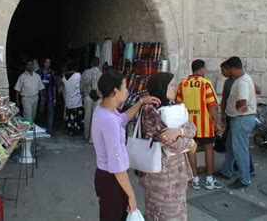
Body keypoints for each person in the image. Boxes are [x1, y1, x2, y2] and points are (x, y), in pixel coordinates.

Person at [92, 70, 160, 221]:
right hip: (112, 180)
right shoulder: (109, 120)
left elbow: (122, 119)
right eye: (125, 87)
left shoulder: (103, 109)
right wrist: (132, 195)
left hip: (107, 177)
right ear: (116, 91)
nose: (127, 91)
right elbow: (116, 165)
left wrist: (141, 102)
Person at [139, 72, 197, 221]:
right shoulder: (149, 110)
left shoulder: (173, 106)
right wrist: (189, 142)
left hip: (177, 173)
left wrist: (179, 131)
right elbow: (170, 143)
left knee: (178, 214)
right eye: (171, 85)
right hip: (161, 178)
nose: (174, 88)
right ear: (161, 87)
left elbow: (192, 127)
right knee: (163, 215)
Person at [176, 59, 223, 190]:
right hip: (205, 125)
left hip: (188, 124)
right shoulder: (206, 84)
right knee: (209, 149)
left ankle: (195, 180)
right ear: (202, 69)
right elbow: (212, 105)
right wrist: (217, 122)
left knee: (191, 150)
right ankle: (209, 180)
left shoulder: (183, 84)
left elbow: (178, 104)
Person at [216, 56, 257, 189]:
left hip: (241, 119)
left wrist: (241, 110)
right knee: (230, 146)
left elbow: (242, 101)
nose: (223, 73)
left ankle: (244, 179)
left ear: (232, 68)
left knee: (240, 150)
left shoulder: (242, 82)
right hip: (238, 119)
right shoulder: (243, 79)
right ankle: (226, 170)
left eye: (224, 70)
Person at [81, 57, 102, 143]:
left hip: (87, 97)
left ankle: (86, 135)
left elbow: (81, 86)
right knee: (95, 118)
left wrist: (83, 94)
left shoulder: (85, 73)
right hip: (97, 99)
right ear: (99, 64)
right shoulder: (101, 74)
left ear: (91, 64)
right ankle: (92, 139)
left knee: (87, 117)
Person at [62, 61, 84, 136]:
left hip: (68, 100)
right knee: (77, 116)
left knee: (69, 116)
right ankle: (77, 130)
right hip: (77, 100)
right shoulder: (78, 75)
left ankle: (70, 130)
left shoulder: (64, 77)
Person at [37, 58, 57, 134]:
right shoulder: (39, 72)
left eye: (49, 62)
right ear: (43, 63)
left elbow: (54, 85)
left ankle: (50, 129)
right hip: (40, 96)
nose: (47, 64)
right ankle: (39, 125)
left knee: (50, 112)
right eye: (46, 62)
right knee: (40, 111)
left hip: (50, 95)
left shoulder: (52, 72)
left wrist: (55, 98)